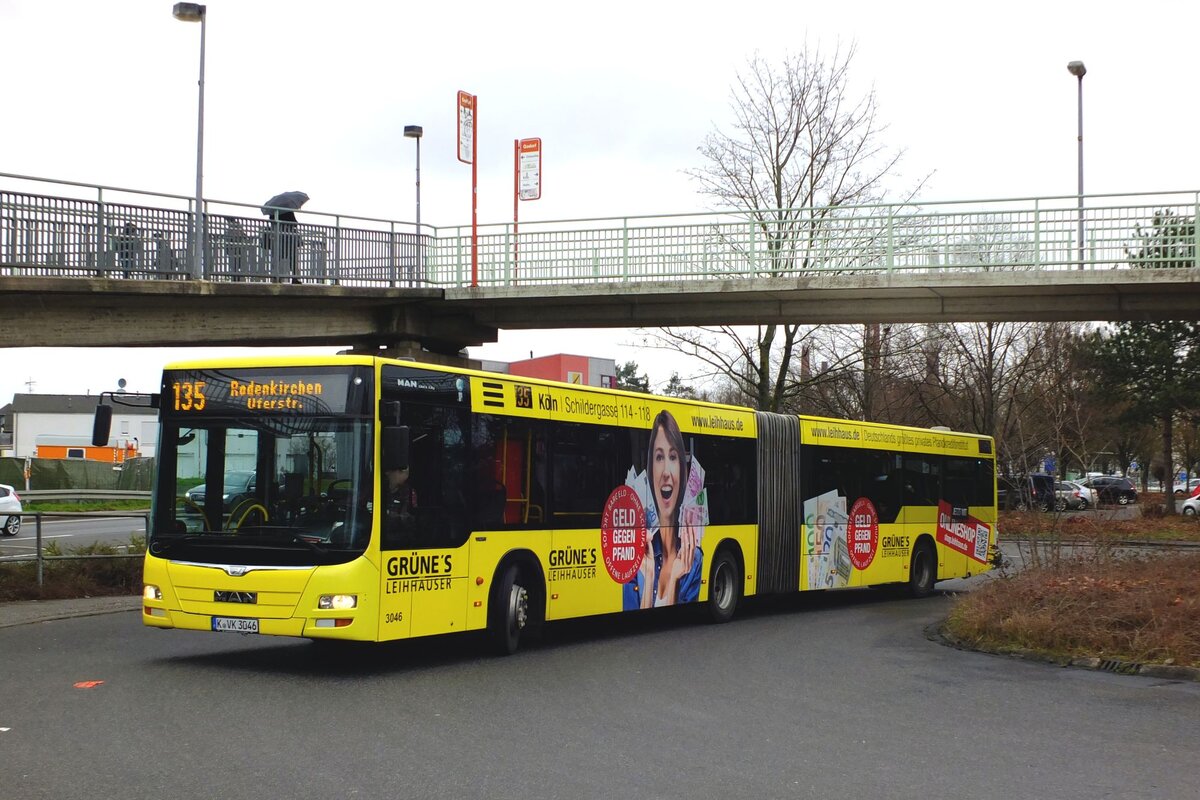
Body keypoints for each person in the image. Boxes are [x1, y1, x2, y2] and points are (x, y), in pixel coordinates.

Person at [626, 410, 703, 609]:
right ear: (650, 470)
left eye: (673, 457)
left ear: (682, 469)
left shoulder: (693, 558)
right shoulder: (635, 553)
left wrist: (675, 580)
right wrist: (649, 574)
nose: (667, 472)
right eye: (659, 457)